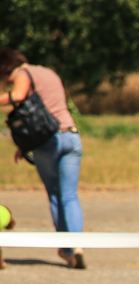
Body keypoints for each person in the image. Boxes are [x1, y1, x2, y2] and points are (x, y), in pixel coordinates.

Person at [0, 49, 85, 269]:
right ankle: (78, 246)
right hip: (72, 135)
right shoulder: (48, 72)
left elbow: (18, 97)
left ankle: (66, 248)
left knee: (56, 195)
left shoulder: (23, 74)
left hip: (48, 141)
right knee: (70, 195)